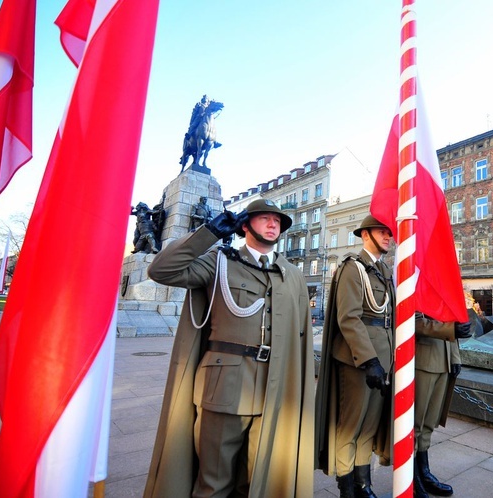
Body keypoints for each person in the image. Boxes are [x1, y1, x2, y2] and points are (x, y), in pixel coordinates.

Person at [144, 199, 314, 498]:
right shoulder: (220, 261)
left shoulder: (292, 274)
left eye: (278, 221)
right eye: (265, 218)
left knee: (256, 481)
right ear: (245, 225)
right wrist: (207, 233)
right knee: (215, 483)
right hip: (225, 390)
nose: (273, 224)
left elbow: (300, 335)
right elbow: (162, 271)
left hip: (275, 392)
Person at [316, 215, 395, 498]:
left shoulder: (383, 270)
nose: (388, 237)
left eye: (389, 232)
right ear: (365, 235)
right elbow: (348, 318)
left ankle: (364, 485)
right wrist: (369, 359)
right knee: (349, 426)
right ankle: (347, 488)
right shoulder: (353, 268)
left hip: (383, 360)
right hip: (358, 360)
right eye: (382, 232)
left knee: (369, 427)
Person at [413, 313, 471, 498]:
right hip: (422, 359)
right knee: (415, 425)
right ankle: (412, 478)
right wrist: (450, 330)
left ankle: (424, 473)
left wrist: (454, 357)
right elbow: (412, 322)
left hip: (443, 361)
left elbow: (450, 319)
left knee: (429, 423)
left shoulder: (441, 289)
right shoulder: (414, 285)